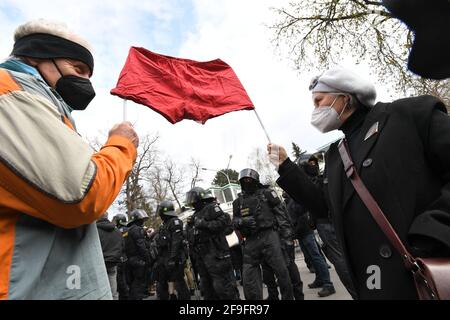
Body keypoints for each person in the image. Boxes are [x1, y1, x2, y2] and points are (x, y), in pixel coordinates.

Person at [268, 66, 450, 299]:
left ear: (344, 98)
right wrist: (285, 166)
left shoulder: (408, 116)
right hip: (376, 283)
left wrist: (432, 233)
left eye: (318, 101)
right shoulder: (336, 155)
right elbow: (324, 207)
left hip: (426, 270)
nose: (314, 111)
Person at [0, 19, 138, 300]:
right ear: (37, 56)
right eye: (78, 69)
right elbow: (81, 194)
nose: (85, 82)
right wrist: (122, 145)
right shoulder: (9, 95)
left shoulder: (40, 104)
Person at [232, 169, 294, 300]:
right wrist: (242, 221)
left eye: (249, 180)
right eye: (243, 181)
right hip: (250, 241)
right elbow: (234, 221)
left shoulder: (267, 193)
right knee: (249, 278)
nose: (246, 182)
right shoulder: (238, 202)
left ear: (255, 181)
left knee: (282, 272)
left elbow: (282, 216)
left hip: (270, 236)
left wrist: (287, 238)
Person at [185, 187, 239, 300]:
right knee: (208, 289)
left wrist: (202, 223)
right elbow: (191, 237)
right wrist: (189, 227)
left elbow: (223, 224)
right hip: (202, 257)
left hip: (216, 253)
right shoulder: (195, 215)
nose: (192, 203)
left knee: (224, 287)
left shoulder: (212, 208)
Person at [284, 191, 335, 298]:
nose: (284, 192)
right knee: (311, 257)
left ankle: (328, 284)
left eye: (284, 191)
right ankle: (320, 279)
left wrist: (294, 230)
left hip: (305, 232)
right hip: (300, 234)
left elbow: (302, 216)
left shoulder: (295, 199)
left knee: (316, 257)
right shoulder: (288, 202)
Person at [153, 200, 190, 300]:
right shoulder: (164, 224)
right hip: (165, 258)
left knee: (179, 283)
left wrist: (173, 258)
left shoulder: (175, 222)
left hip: (175, 259)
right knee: (166, 281)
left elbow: (176, 241)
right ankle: (172, 296)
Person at [96, 213, 124, 300]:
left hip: (99, 263)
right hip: (113, 262)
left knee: (99, 290)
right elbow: (122, 246)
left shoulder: (95, 231)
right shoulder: (117, 231)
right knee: (113, 290)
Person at [124, 209, 151, 300]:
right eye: (142, 220)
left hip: (130, 260)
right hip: (138, 260)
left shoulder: (127, 230)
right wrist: (148, 258)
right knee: (139, 284)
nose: (143, 222)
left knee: (133, 284)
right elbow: (141, 246)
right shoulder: (137, 230)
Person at [112, 213, 130, 300]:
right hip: (126, 257)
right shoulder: (128, 230)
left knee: (121, 279)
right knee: (125, 277)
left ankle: (125, 295)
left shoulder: (118, 231)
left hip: (120, 257)